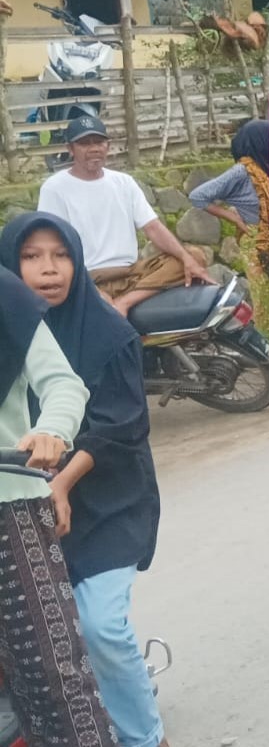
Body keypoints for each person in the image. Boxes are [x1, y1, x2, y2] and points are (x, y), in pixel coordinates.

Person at [1, 213, 167, 747]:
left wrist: (62, 482)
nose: (48, 270)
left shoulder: (110, 333)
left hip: (108, 500)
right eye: (30, 257)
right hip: (25, 505)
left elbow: (120, 426)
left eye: (60, 255)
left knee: (99, 626)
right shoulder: (9, 328)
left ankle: (146, 737)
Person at [0, 266, 120, 747]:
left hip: (9, 508)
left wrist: (52, 429)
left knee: (53, 679)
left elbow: (63, 383)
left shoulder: (4, 294)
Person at [36, 115, 213, 317]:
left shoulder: (123, 182)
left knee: (194, 256)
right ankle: (106, 300)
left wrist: (186, 259)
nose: (93, 148)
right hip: (88, 278)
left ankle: (125, 302)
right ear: (70, 149)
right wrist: (92, 290)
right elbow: (53, 248)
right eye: (84, 143)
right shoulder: (55, 188)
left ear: (108, 146)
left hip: (131, 272)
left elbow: (153, 228)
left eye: (99, 142)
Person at [190, 121, 269, 384]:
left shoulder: (266, 169)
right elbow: (198, 196)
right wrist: (232, 218)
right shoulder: (242, 171)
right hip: (258, 245)